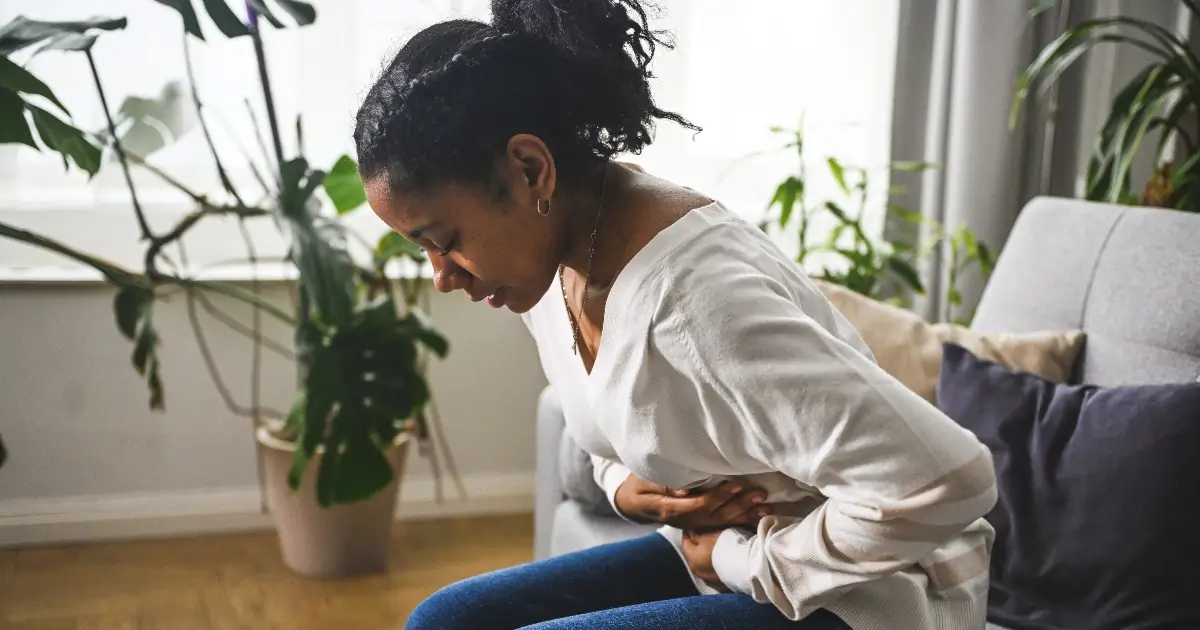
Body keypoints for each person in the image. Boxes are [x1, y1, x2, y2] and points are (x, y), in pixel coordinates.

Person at [352, 1, 999, 628]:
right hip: (733, 555)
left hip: (870, 596)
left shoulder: (695, 303)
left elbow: (949, 481)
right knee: (447, 619)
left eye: (445, 240)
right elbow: (603, 407)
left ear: (529, 169)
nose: (441, 276)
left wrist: (740, 559)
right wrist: (622, 487)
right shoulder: (556, 256)